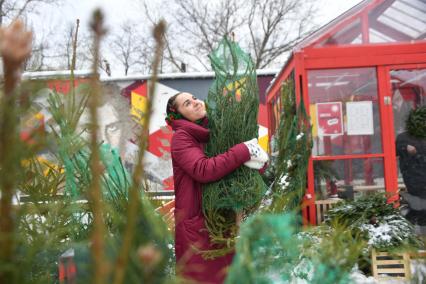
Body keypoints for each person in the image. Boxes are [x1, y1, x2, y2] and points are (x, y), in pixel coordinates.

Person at [165, 92, 268, 283]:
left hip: (220, 221)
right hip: (198, 228)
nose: (195, 103)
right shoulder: (182, 138)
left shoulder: (209, 135)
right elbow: (203, 170)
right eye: (187, 103)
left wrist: (256, 165)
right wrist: (244, 150)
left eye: (195, 98)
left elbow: (229, 170)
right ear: (178, 116)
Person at [396, 106, 426, 234]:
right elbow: (393, 150)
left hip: (417, 174)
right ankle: (414, 227)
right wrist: (405, 148)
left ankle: (416, 224)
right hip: (413, 177)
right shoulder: (403, 137)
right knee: (418, 203)